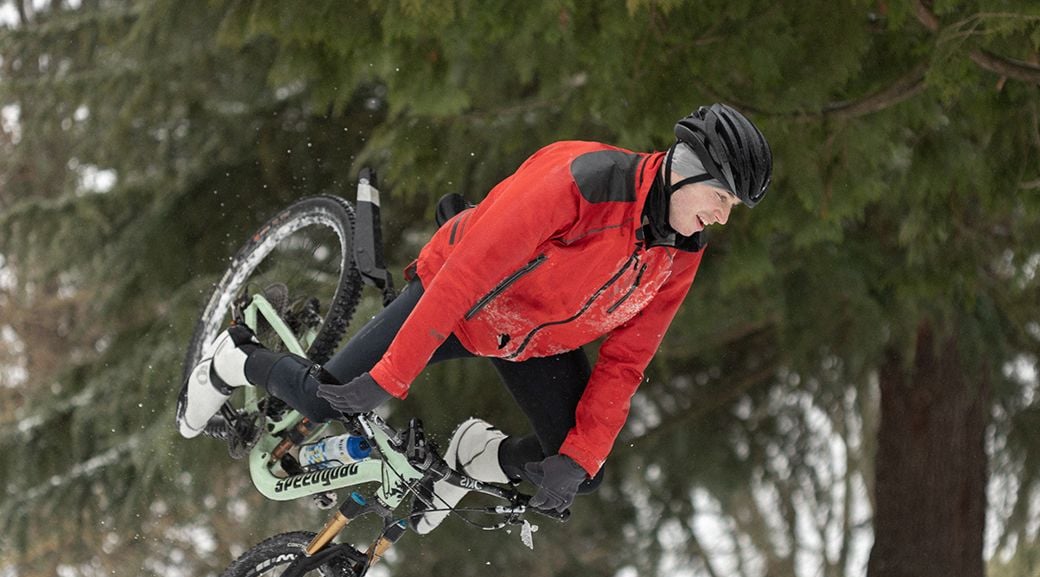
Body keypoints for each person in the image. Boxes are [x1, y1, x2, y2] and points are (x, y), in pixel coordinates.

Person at [179, 104, 772, 529]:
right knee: (323, 403)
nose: (721, 217)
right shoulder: (584, 182)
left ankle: (470, 457)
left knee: (576, 469)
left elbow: (627, 358)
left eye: (732, 208)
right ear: (687, 168)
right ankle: (236, 356)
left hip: (530, 342)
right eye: (720, 199)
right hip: (460, 301)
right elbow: (464, 274)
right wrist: (389, 378)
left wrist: (580, 456)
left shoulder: (680, 251)